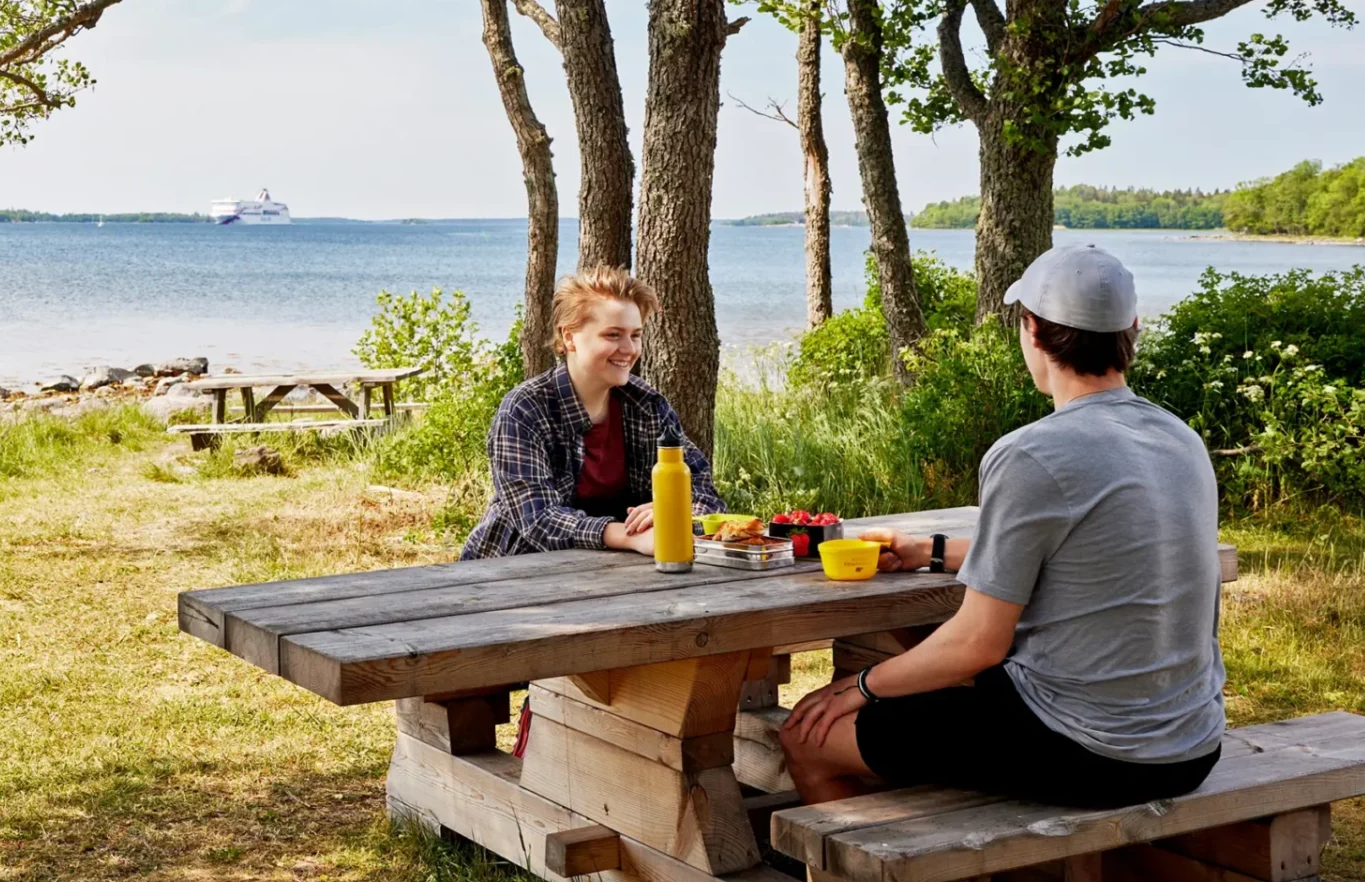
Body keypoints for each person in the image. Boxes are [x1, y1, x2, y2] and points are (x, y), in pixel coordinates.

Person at [779, 244, 1226, 810]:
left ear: (1032, 331)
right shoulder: (1180, 438)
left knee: (807, 734)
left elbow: (976, 644)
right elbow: (1079, 559)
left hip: (1087, 750)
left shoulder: (1032, 454)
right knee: (931, 683)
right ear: (1131, 330)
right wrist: (931, 551)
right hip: (1191, 744)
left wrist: (860, 688)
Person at [461, 267, 726, 559]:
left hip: (616, 571)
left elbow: (702, 488)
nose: (629, 349)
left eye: (635, 335)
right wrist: (629, 536)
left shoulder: (647, 406)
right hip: (512, 569)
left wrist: (676, 509)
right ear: (570, 337)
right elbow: (537, 519)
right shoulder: (524, 409)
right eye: (613, 335)